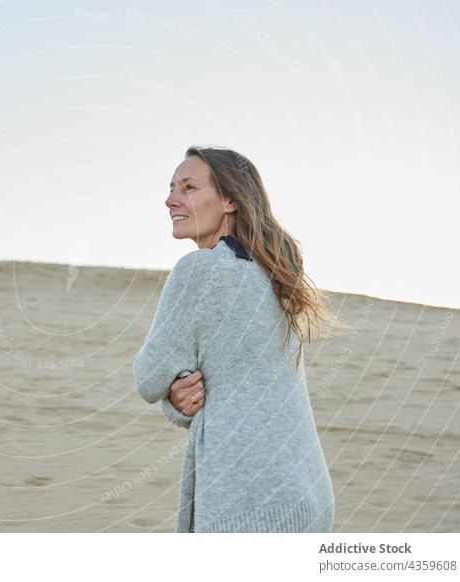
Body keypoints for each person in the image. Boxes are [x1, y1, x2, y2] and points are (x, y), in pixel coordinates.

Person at [133, 145, 351, 532]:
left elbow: (149, 378)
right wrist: (180, 401)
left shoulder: (199, 270)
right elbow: (240, 386)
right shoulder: (275, 278)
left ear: (230, 199)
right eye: (171, 188)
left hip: (246, 494)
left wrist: (172, 395)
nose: (170, 200)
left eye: (188, 188)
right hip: (307, 491)